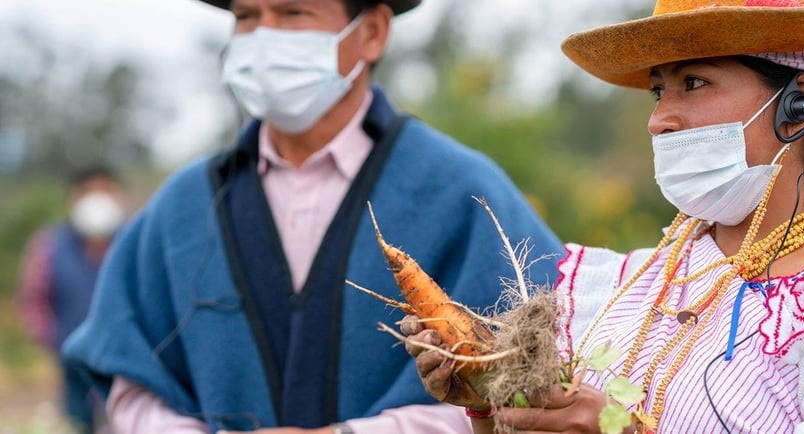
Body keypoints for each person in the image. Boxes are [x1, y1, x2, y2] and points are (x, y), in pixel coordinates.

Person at [404, 1, 804, 433]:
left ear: (799, 106)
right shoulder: (638, 284)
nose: (659, 119)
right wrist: (489, 402)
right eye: (658, 90)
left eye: (695, 82)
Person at [60, 0, 561, 433]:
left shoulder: (464, 192)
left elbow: (531, 384)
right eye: (247, 15)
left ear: (370, 32)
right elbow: (132, 383)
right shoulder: (182, 207)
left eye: (294, 11)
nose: (263, 36)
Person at [19, 165, 128, 434]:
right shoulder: (50, 244)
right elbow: (34, 300)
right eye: (89, 192)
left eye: (104, 191)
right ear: (74, 198)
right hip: (72, 359)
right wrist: (54, 338)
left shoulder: (133, 240)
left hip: (127, 360)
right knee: (78, 423)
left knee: (127, 420)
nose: (97, 199)